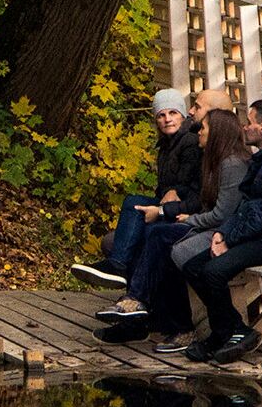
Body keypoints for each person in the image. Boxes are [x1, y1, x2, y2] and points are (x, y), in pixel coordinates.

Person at [91, 108, 252, 353]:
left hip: (223, 233)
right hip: (204, 223)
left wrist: (186, 219)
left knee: (162, 239)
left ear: (217, 133)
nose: (198, 131)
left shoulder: (231, 164)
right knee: (150, 233)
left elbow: (222, 215)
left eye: (203, 128)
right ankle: (140, 312)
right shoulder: (209, 158)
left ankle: (142, 305)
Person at [179, 98, 262, 364]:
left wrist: (230, 239)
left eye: (249, 122)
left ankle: (226, 333)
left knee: (213, 271)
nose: (244, 127)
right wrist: (223, 233)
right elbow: (245, 203)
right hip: (259, 235)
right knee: (193, 266)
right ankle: (234, 331)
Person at [70, 89, 200, 288]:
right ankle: (121, 273)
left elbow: (187, 181)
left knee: (138, 217)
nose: (167, 119)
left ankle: (122, 273)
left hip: (183, 208)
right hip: (168, 204)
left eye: (173, 113)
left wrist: (173, 193)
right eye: (161, 115)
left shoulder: (189, 142)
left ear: (182, 115)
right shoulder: (166, 145)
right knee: (131, 205)